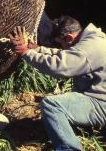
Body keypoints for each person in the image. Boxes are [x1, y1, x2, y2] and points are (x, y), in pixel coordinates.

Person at [9, 15, 106, 151]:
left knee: (51, 105)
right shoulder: (92, 40)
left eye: (61, 42)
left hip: (101, 104)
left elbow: (58, 66)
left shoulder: (88, 49)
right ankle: (82, 129)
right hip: (100, 98)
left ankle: (68, 149)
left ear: (69, 38)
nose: (61, 46)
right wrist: (37, 49)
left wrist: (26, 53)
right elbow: (66, 54)